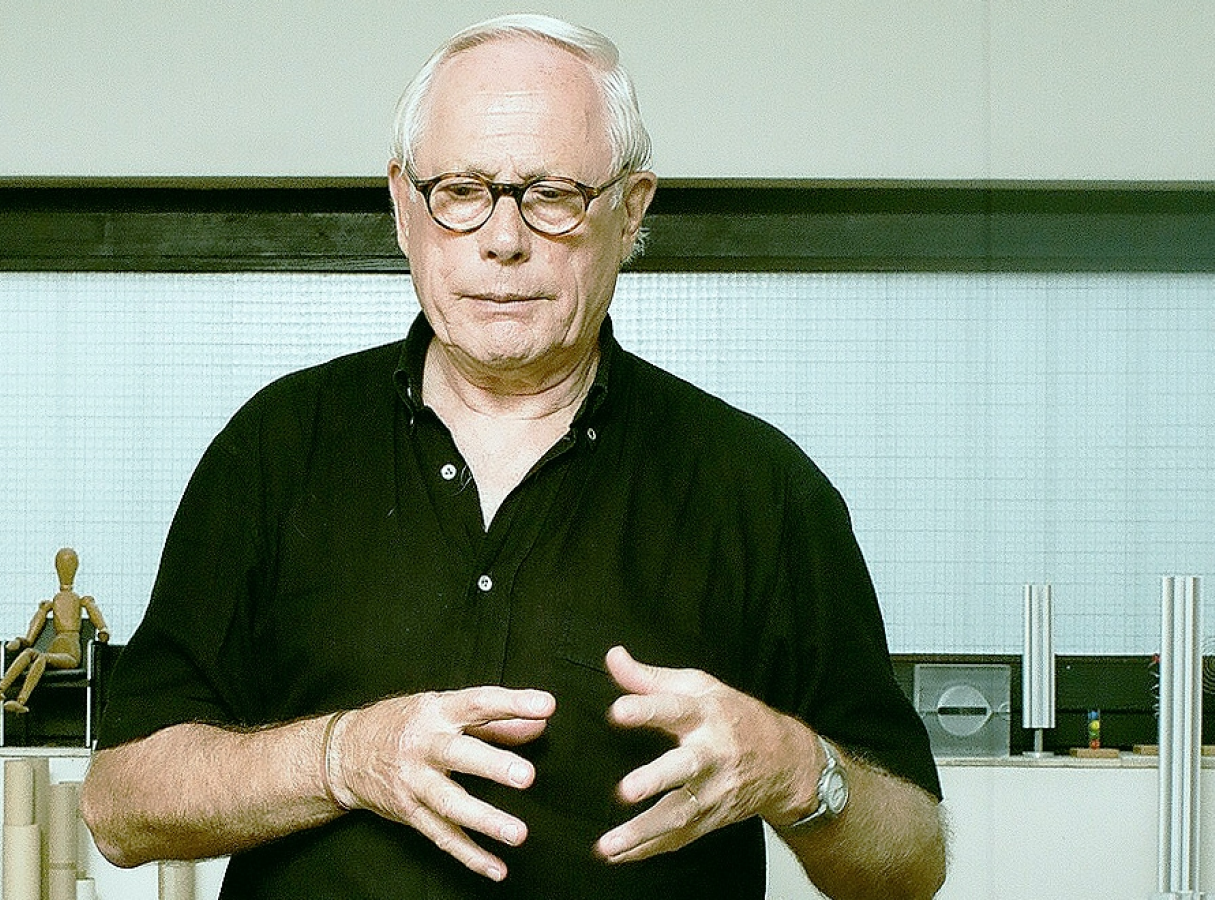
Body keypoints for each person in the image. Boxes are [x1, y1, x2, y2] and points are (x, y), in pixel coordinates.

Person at [81, 14, 945, 900]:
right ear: (403, 206)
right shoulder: (275, 449)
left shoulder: (761, 489)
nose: (503, 240)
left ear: (631, 210)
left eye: (552, 194)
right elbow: (120, 807)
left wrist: (798, 769)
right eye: (460, 191)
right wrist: (343, 757)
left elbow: (911, 863)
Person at [0, 547, 110, 713]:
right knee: (28, 653)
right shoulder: (51, 603)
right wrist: (22, 641)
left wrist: (102, 629)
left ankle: (21, 701)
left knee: (42, 658)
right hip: (54, 648)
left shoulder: (82, 600)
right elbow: (33, 631)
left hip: (70, 653)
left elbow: (95, 614)